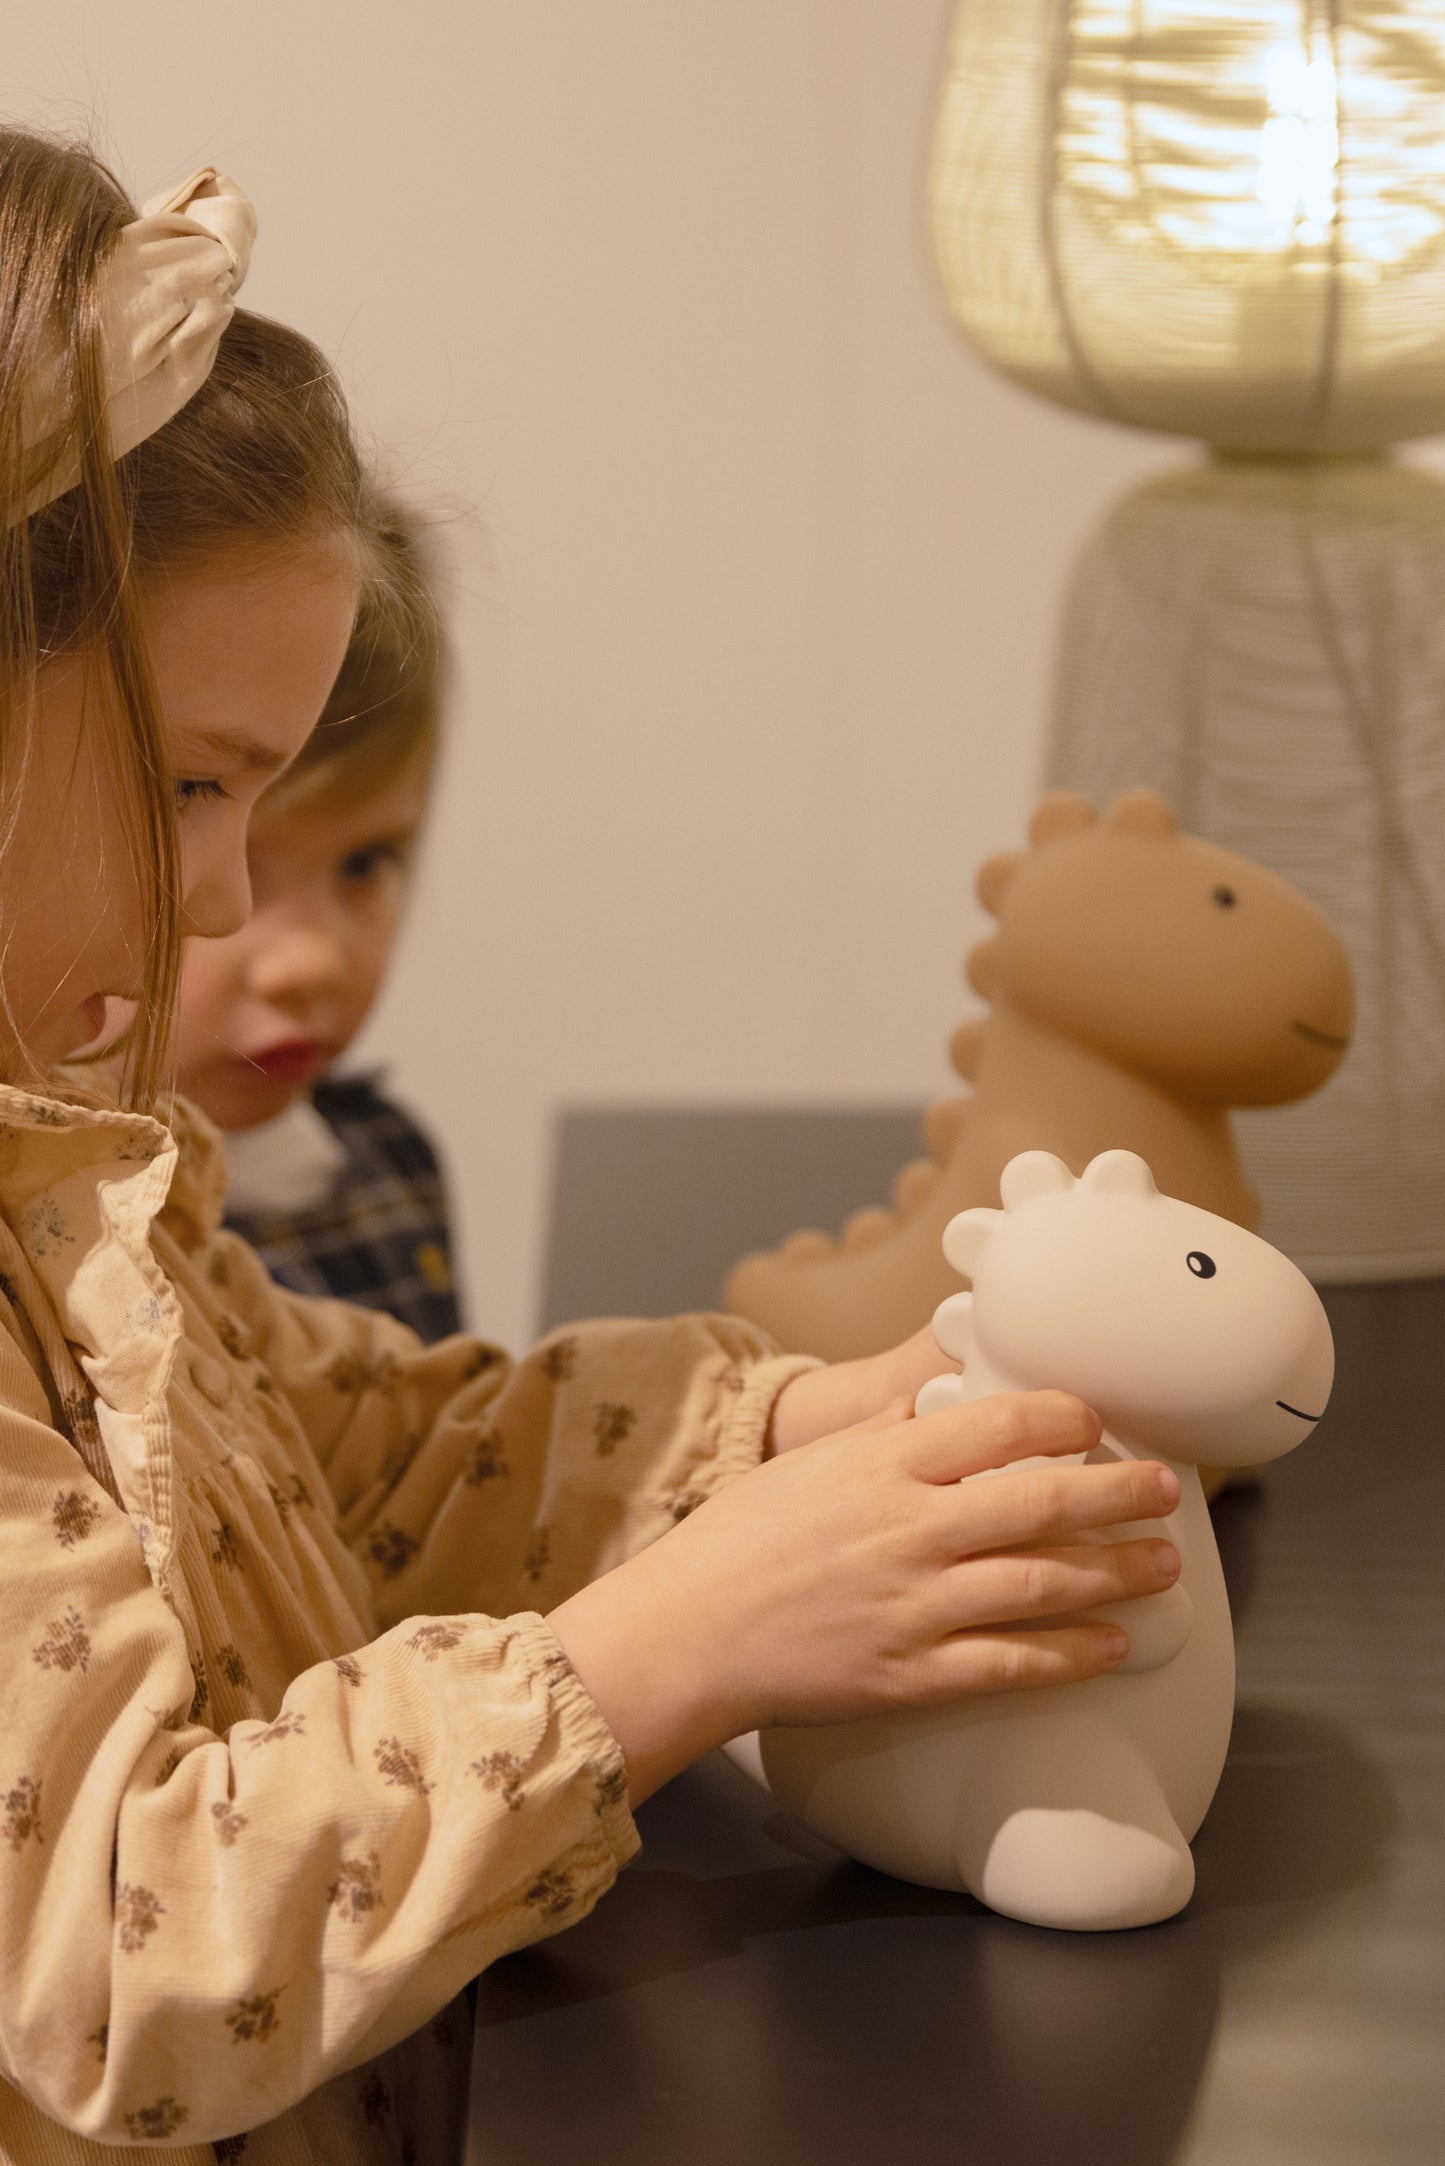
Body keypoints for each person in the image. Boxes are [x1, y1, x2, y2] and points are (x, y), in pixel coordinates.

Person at [0, 132, 1182, 2165]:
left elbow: (356, 1461)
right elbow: (119, 1949)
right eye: (190, 786)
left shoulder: (71, 1171)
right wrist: (674, 1644)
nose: (227, 900)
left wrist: (778, 1431)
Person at [169, 507, 464, 1342]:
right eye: (233, 861)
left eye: (363, 864)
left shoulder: (388, 1158)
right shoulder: (57, 1224)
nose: (311, 962)